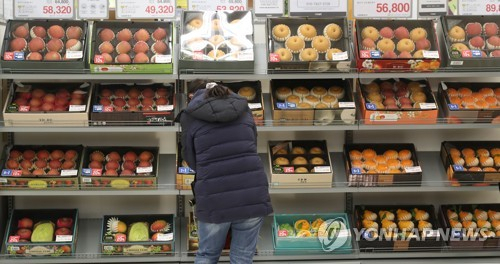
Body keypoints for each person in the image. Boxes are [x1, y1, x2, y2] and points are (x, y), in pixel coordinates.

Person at [179, 80, 273, 264]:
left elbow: (191, 158)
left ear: (192, 96)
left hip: (215, 196)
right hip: (252, 193)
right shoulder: (243, 107)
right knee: (243, 257)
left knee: (207, 255)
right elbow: (251, 143)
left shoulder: (191, 116)